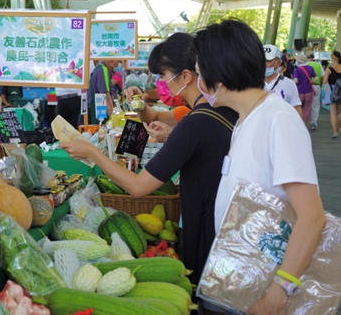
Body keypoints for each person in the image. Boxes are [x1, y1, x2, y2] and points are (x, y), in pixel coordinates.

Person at [61, 33, 238, 292]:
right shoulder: (221, 111)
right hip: (225, 228)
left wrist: (92, 152)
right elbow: (159, 118)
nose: (161, 83)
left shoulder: (194, 123)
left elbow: (138, 187)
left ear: (188, 76)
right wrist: (146, 109)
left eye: (164, 76)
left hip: (205, 232)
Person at [193, 20, 325, 315]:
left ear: (220, 75)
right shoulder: (246, 118)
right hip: (239, 280)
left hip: (265, 292)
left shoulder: (278, 119)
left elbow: (312, 216)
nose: (199, 85)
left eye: (201, 75)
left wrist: (279, 293)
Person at [263, 45, 302, 119]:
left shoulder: (289, 84)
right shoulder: (251, 84)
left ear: (278, 63)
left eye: (268, 61)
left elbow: (297, 109)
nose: (264, 64)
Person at [87, 60, 117, 124]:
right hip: (101, 115)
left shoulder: (97, 69)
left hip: (96, 112)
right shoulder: (103, 69)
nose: (113, 66)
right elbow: (105, 95)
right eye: (112, 61)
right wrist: (114, 118)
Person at [293, 53, 317, 125]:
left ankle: (298, 123)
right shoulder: (310, 68)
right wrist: (311, 82)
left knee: (298, 107)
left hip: (300, 92)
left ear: (299, 61)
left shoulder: (297, 69)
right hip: (308, 92)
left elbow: (295, 80)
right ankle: (304, 123)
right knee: (307, 108)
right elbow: (316, 78)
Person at [321, 51, 341, 138]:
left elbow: (325, 81)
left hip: (332, 91)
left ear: (333, 58)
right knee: (339, 113)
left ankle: (334, 132)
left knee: (332, 112)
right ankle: (337, 129)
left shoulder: (329, 69)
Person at [306, 53, 324, 130]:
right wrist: (320, 84)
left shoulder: (305, 65)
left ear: (307, 58)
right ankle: (313, 122)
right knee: (315, 104)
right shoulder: (318, 65)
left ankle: (304, 121)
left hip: (307, 86)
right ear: (313, 57)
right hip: (316, 85)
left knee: (306, 104)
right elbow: (322, 76)